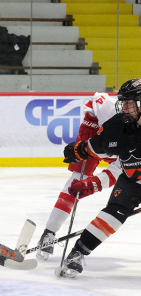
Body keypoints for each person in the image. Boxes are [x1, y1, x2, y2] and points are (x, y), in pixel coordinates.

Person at [58, 78, 141, 278]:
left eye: (130, 102)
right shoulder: (118, 126)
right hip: (132, 180)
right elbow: (97, 145)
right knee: (113, 213)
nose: (125, 107)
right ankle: (77, 253)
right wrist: (78, 150)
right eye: (124, 102)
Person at [37, 92, 117, 260]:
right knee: (77, 180)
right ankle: (49, 232)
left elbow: (120, 172)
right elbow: (98, 103)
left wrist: (96, 184)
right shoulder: (109, 108)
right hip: (97, 130)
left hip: (124, 143)